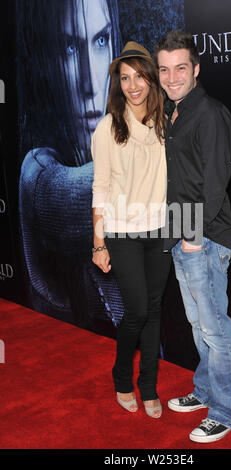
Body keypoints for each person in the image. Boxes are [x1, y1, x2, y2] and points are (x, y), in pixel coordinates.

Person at [155, 30, 231, 442]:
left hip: (203, 236)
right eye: (165, 69)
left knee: (215, 327)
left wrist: (192, 236)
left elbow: (215, 182)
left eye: (180, 68)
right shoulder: (173, 111)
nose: (172, 77)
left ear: (196, 69)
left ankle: (227, 413)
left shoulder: (208, 113)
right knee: (198, 325)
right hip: (182, 232)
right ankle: (207, 390)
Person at [17, 0, 124, 328]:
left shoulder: (109, 144)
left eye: (101, 41)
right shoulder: (37, 173)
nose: (90, 82)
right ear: (44, 61)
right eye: (69, 47)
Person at [91, 42, 171, 418]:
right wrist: (98, 242)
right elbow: (100, 186)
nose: (132, 85)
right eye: (124, 78)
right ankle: (123, 378)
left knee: (153, 310)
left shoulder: (165, 121)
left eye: (139, 76)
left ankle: (149, 386)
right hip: (122, 230)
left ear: (150, 78)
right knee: (137, 310)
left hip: (159, 229)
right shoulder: (108, 127)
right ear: (117, 84)